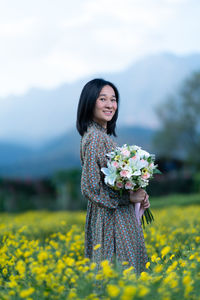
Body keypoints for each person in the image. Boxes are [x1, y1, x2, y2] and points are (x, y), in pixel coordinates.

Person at [76, 78, 150, 275]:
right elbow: (90, 188)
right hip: (112, 219)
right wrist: (128, 197)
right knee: (121, 275)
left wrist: (136, 190)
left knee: (116, 276)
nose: (110, 105)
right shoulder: (95, 138)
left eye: (113, 99)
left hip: (110, 214)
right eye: (103, 99)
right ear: (89, 102)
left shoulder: (97, 136)